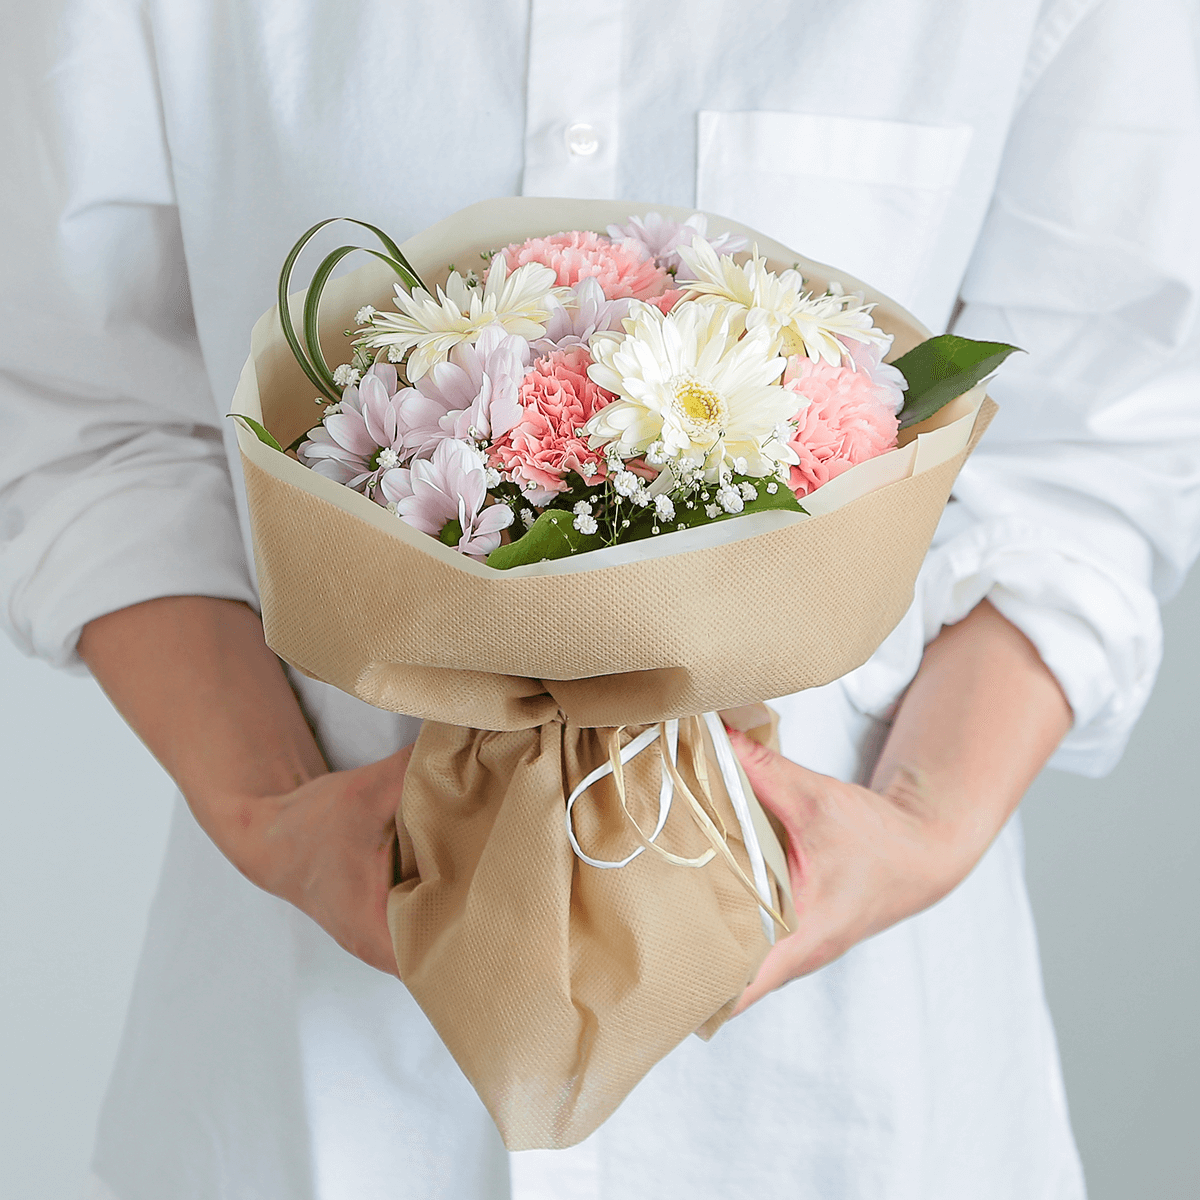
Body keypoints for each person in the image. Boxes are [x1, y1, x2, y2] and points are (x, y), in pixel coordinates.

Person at [3, 1, 1199, 1196]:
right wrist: (266, 805)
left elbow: (1098, 441)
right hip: (305, 1075)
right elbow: (90, 414)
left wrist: (928, 824)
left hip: (851, 1092)